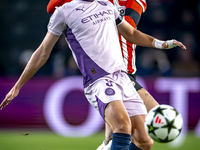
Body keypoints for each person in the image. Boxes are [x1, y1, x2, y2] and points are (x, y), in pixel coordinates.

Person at [0, 0, 186, 150]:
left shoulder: (107, 4)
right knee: (122, 127)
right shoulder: (64, 11)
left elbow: (131, 34)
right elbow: (42, 52)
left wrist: (161, 44)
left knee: (145, 142)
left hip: (123, 78)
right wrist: (17, 86)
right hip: (99, 80)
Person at [47, 0, 160, 149]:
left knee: (146, 137)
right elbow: (51, 6)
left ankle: (108, 143)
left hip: (125, 72)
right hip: (105, 73)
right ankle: (109, 142)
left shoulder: (129, 2)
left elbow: (129, 27)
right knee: (126, 129)